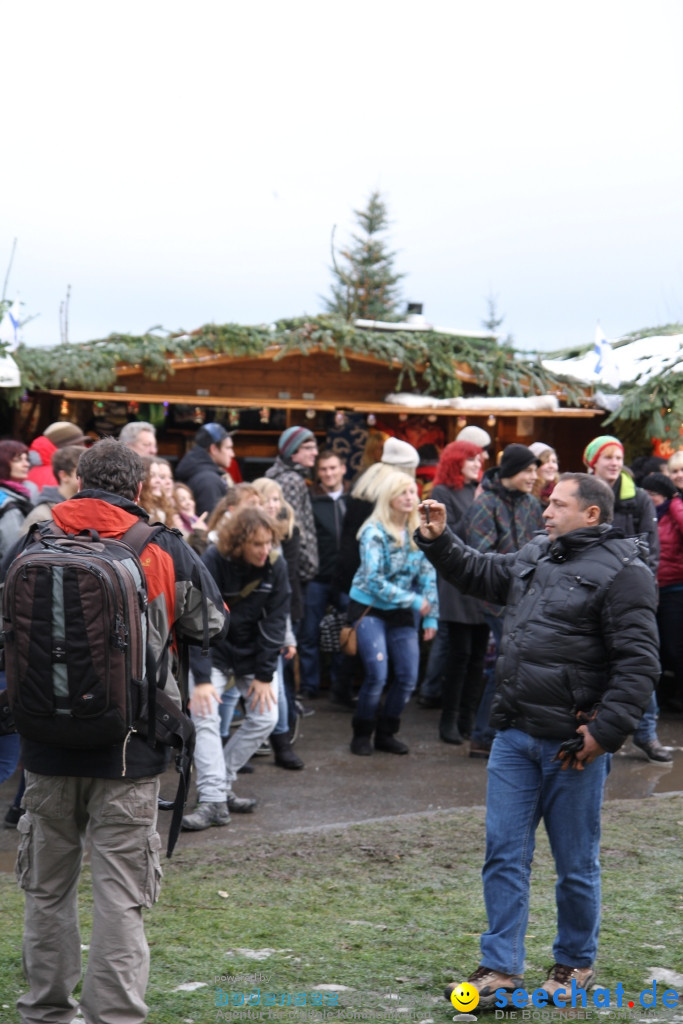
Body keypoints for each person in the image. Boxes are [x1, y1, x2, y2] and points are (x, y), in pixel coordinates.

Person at [4, 437, 227, 1024]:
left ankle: (45, 1012)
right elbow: (211, 624)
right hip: (131, 749)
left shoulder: (35, 539)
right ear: (137, 489)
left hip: (45, 747)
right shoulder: (161, 549)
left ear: (77, 481)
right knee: (120, 898)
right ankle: (115, 1016)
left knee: (46, 892)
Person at [416, 473, 659, 1008]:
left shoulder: (626, 573)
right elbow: (480, 572)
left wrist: (603, 733)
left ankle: (575, 962)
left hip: (573, 748)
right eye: (547, 503)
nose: (545, 512)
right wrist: (439, 540)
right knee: (503, 853)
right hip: (514, 737)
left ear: (591, 514)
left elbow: (638, 665)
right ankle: (500, 968)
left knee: (575, 864)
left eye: (557, 505)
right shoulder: (536, 554)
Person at [182, 506, 291, 829]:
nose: (264, 550)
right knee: (204, 716)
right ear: (239, 542)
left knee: (266, 717)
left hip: (253, 654)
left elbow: (276, 622)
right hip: (213, 650)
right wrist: (201, 679)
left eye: (268, 543)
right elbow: (197, 618)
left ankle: (220, 786)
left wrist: (263, 676)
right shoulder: (215, 560)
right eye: (257, 544)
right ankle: (213, 798)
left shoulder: (275, 564)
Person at [583, 435, 670, 763]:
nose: (615, 463)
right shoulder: (581, 494)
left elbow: (651, 551)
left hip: (630, 596)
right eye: (607, 457)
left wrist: (641, 590)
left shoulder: (639, 500)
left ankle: (646, 734)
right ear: (592, 462)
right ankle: (597, 732)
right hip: (589, 594)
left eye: (618, 457)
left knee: (639, 664)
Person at [348, 470, 438, 756]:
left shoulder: (418, 532)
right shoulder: (373, 531)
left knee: (409, 676)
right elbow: (373, 580)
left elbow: (428, 575)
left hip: (401, 610)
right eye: (403, 492)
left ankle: (387, 732)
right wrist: (413, 601)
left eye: (413, 491)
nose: (410, 497)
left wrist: (431, 615)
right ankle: (361, 734)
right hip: (370, 606)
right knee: (377, 673)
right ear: (389, 497)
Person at [463, 443, 545, 758]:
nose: (533, 476)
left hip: (527, 599)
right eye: (528, 470)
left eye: (535, 470)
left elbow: (542, 544)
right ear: (511, 472)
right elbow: (482, 555)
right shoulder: (485, 503)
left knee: (509, 666)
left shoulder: (533, 504)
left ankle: (489, 731)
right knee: (507, 665)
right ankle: (483, 734)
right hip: (495, 600)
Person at [416, 441, 489, 744]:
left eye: (478, 459)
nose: (477, 463)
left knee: (478, 659)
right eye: (471, 459)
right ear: (456, 461)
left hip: (482, 580)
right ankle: (448, 720)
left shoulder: (480, 490)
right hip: (456, 583)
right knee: (458, 658)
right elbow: (449, 533)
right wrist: (476, 503)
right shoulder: (442, 493)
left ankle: (468, 719)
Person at [297, 449, 352, 703]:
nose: (328, 473)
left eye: (333, 468)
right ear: (317, 473)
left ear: (343, 468)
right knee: (309, 633)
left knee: (346, 634)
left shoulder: (355, 499)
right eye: (323, 469)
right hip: (317, 578)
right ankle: (310, 685)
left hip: (347, 578)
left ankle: (340, 687)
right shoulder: (310, 498)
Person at [642, 472, 683, 712]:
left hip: (675, 587)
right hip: (653, 586)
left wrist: (676, 503)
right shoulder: (650, 514)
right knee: (655, 646)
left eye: (653, 495)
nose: (648, 499)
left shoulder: (674, 509)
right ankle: (663, 696)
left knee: (673, 645)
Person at [265, 425, 320, 589]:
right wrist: (307, 567)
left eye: (315, 447)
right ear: (293, 451)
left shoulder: (286, 477)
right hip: (295, 571)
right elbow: (294, 529)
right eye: (308, 448)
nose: (315, 452)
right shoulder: (291, 481)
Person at [175, 422, 236, 516]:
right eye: (228, 448)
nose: (232, 454)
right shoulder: (208, 481)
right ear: (214, 449)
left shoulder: (201, 473)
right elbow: (212, 521)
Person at [21, 445, 82, 532]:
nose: (87, 475)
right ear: (64, 475)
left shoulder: (86, 507)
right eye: (80, 472)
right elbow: (26, 544)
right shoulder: (41, 516)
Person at [27, 421, 88, 491]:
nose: (84, 449)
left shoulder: (31, 469)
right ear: (62, 447)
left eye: (83, 443)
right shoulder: (60, 476)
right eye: (78, 445)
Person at [0, 440, 36, 562]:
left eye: (26, 459)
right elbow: (12, 551)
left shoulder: (23, 492)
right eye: (18, 460)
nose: (26, 464)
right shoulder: (8, 505)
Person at [529, 441, 559, 507]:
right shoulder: (527, 492)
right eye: (546, 461)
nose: (551, 466)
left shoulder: (561, 490)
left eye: (554, 461)